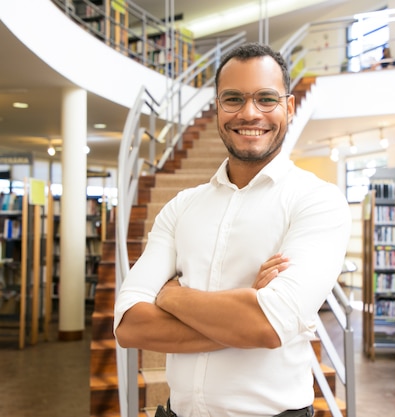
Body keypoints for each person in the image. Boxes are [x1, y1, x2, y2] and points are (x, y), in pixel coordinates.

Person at [114, 42, 352, 417]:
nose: (249, 113)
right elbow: (130, 326)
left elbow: (267, 325)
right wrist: (243, 306)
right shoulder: (181, 207)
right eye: (233, 99)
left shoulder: (318, 201)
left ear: (288, 107)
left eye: (266, 99)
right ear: (217, 109)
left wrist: (172, 297)